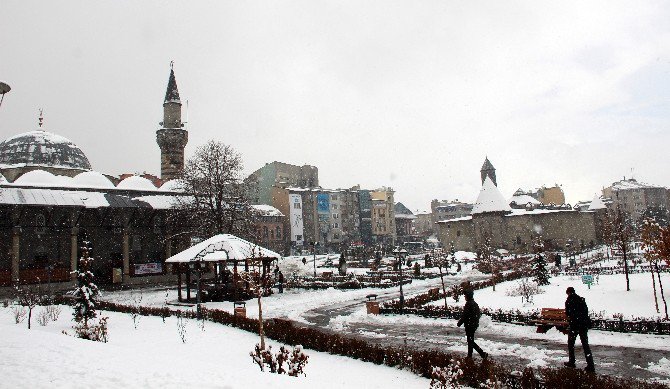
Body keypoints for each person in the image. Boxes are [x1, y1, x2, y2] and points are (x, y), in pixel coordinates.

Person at [564, 287, 595, 372]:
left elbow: (568, 313)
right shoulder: (581, 299)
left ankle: (572, 361)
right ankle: (590, 365)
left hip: (575, 325)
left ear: (568, 293)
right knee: (585, 345)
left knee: (571, 344)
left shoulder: (569, 301)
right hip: (583, 325)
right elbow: (585, 311)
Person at [457, 289, 488, 360]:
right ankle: (470, 356)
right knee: (470, 340)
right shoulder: (474, 303)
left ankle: (482, 353)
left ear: (468, 296)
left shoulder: (468, 304)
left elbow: (465, 315)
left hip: (469, 325)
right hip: (473, 325)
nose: (464, 297)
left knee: (470, 341)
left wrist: (459, 323)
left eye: (465, 296)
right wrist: (475, 322)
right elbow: (478, 314)